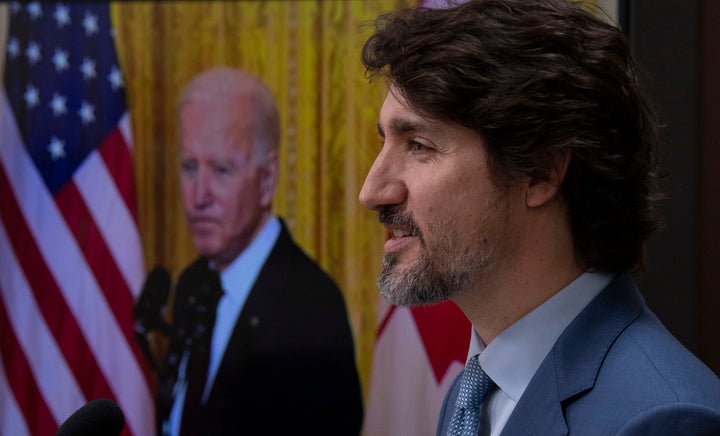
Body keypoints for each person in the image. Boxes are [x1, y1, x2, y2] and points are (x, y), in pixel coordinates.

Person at [357, 0, 720, 435]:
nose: (371, 192)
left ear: (540, 171)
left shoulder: (661, 420)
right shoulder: (473, 394)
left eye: (419, 145)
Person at [157, 67, 363, 435]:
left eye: (221, 170)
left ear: (267, 180)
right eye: (189, 167)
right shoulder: (192, 284)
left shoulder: (312, 309)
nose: (198, 196)